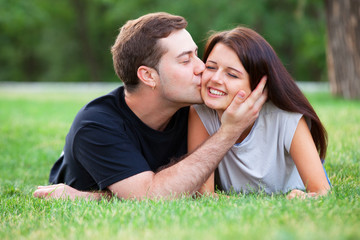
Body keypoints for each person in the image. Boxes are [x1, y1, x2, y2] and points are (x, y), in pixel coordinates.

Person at [33, 13, 267, 200]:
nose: (201, 67)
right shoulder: (96, 125)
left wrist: (94, 198)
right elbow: (149, 197)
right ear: (148, 76)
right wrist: (228, 132)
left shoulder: (196, 108)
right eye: (185, 60)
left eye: (197, 55)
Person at [188, 27, 330, 199]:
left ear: (259, 85)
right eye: (211, 67)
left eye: (232, 75)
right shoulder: (200, 113)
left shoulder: (285, 118)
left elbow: (322, 191)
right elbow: (204, 193)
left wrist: (303, 197)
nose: (215, 79)